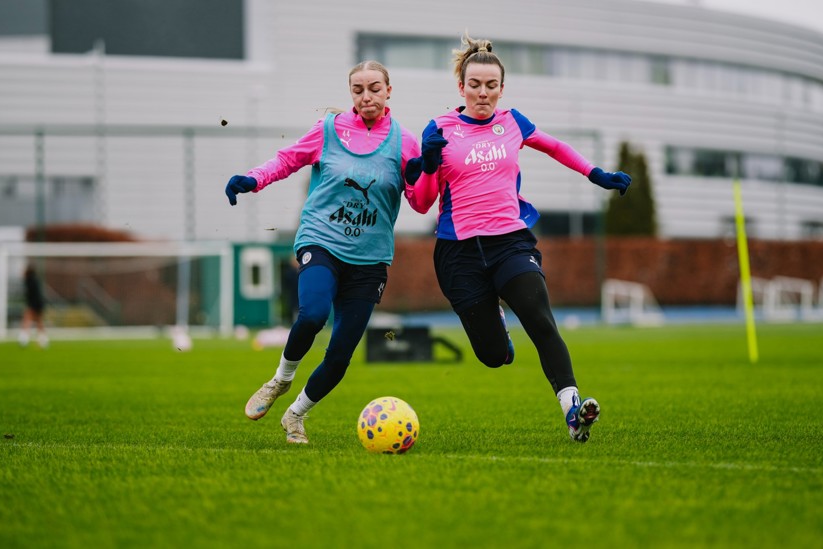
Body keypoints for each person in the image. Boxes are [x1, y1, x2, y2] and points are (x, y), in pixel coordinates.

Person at [405, 33, 632, 443]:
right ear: (461, 86)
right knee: (494, 357)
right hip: (458, 253)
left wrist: (595, 173)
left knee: (541, 321)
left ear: (501, 89)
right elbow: (420, 203)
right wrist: (428, 162)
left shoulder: (513, 122)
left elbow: (556, 146)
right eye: (475, 85)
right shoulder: (440, 129)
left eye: (491, 86)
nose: (483, 93)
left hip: (510, 242)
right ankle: (497, 326)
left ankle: (572, 409)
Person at [225, 60, 421, 444]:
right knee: (313, 313)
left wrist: (423, 172)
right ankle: (280, 380)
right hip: (322, 241)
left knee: (340, 355)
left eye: (375, 88)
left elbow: (419, 199)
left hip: (370, 259)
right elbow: (286, 160)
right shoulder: (328, 130)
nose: (367, 96)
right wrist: (252, 179)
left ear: (389, 91)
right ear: (351, 93)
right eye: (358, 89)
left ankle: (296, 415)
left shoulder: (405, 142)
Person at [18, 264, 49, 348]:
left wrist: (31, 306)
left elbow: (33, 295)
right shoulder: (34, 280)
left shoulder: (30, 281)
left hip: (35, 303)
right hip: (39, 303)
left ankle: (24, 339)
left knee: (27, 319)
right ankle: (43, 340)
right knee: (39, 321)